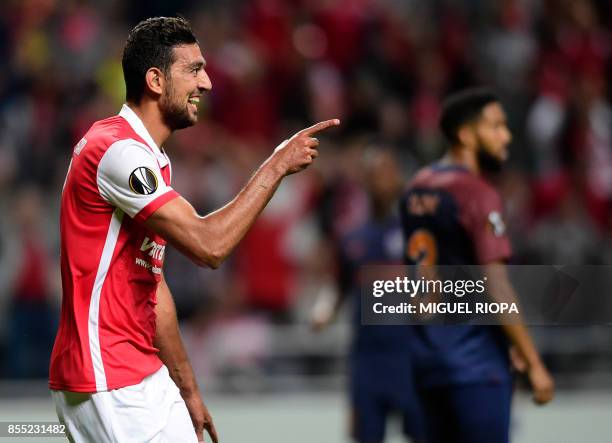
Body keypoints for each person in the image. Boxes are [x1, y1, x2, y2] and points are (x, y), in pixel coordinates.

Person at [49, 16, 339, 443]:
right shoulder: (116, 151)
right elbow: (210, 246)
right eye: (193, 69)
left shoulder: (151, 161)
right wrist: (277, 164)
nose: (207, 84)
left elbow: (153, 287)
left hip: (140, 374)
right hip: (109, 377)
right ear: (155, 80)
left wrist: (187, 389)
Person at [399, 88, 554, 443]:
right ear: (466, 134)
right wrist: (534, 362)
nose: (506, 136)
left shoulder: (415, 188)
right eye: (496, 126)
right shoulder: (477, 192)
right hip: (476, 365)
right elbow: (496, 286)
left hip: (426, 364)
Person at [312, 148, 426, 443]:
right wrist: (324, 311)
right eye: (374, 174)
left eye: (387, 172)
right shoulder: (353, 237)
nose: (380, 180)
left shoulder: (419, 234)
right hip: (368, 360)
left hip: (412, 356)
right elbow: (339, 285)